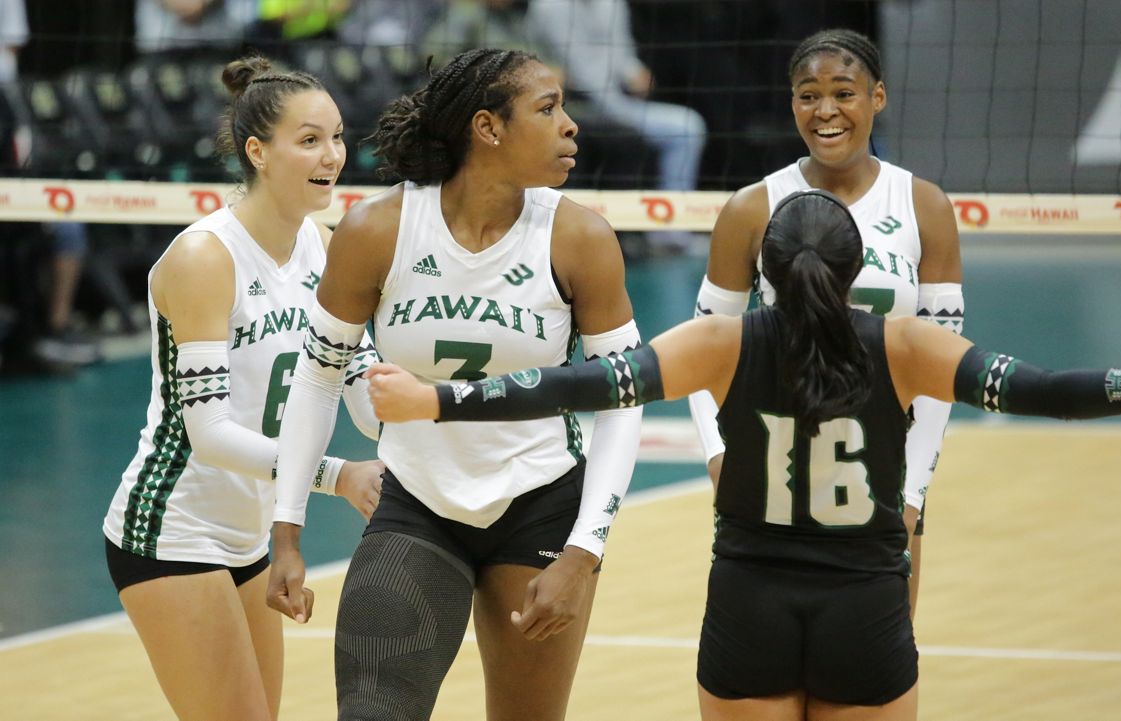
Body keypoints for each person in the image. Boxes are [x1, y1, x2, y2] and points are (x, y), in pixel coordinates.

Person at [363, 189, 1121, 721]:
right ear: (858, 263)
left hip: (749, 601)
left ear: (766, 268)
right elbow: (1051, 389)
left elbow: (583, 385)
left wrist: (440, 397)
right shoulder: (907, 346)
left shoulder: (721, 341)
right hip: (864, 607)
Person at [266, 48, 643, 721]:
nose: (570, 125)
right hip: (418, 503)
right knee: (372, 711)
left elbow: (623, 398)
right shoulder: (377, 230)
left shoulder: (579, 236)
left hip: (541, 504)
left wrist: (584, 553)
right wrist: (286, 529)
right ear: (487, 128)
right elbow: (317, 380)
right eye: (548, 108)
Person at [101, 56, 384, 721]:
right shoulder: (206, 258)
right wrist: (340, 475)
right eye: (309, 139)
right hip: (172, 527)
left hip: (250, 531)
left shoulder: (321, 245)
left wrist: (436, 415)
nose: (333, 155)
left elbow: (360, 386)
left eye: (338, 136)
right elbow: (211, 433)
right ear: (257, 151)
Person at [690, 28, 961, 616]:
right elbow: (702, 350)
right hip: (773, 460)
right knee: (764, 663)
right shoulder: (751, 208)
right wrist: (719, 456)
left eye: (844, 92)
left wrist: (912, 490)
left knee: (875, 667)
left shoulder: (924, 206)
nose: (826, 111)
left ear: (877, 98)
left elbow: (942, 370)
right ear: (792, 103)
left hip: (884, 461)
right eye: (808, 95)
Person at [527, 0, 707, 252]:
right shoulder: (549, 7)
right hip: (571, 103)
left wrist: (635, 73)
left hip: (619, 102)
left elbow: (623, 54)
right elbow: (577, 67)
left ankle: (671, 233)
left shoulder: (612, 4)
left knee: (688, 127)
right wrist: (611, 103)